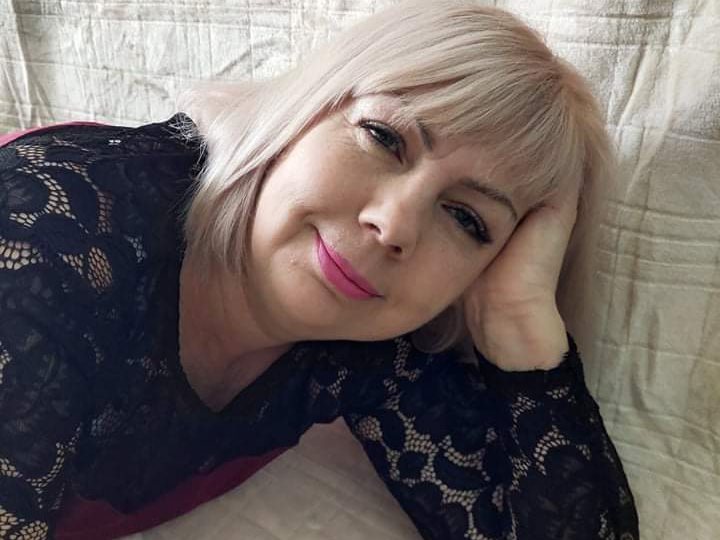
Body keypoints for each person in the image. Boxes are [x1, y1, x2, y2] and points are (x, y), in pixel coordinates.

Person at [0, 0, 639, 538]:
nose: (394, 225)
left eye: (467, 220)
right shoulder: (43, 248)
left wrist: (519, 317)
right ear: (308, 108)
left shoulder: (372, 341)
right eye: (384, 137)